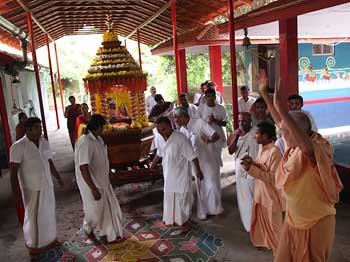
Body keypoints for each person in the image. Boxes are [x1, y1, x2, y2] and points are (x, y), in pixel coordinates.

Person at [258, 69, 343, 261]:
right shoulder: (293, 147)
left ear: (299, 132)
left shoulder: (319, 147)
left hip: (317, 222)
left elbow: (306, 148)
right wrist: (264, 93)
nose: (282, 134)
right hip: (293, 219)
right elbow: (281, 122)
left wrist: (281, 106)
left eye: (286, 131)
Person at [9, 117, 64, 258]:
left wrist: (58, 178)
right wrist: (15, 194)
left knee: (48, 214)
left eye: (40, 127)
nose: (41, 130)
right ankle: (34, 246)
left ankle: (51, 240)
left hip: (47, 184)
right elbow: (13, 173)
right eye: (37, 127)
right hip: (32, 188)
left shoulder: (44, 142)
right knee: (34, 218)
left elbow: (49, 161)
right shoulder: (18, 147)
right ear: (28, 130)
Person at [75, 114, 123, 243]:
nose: (104, 130)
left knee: (106, 208)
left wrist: (109, 173)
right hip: (91, 183)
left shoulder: (98, 139)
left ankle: (107, 234)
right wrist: (93, 188)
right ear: (97, 127)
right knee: (94, 211)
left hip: (102, 180)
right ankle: (88, 228)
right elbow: (83, 167)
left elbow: (103, 158)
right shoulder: (85, 142)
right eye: (103, 127)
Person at [150, 116, 203, 227]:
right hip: (169, 175)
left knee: (183, 200)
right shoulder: (161, 137)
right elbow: (160, 152)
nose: (162, 133)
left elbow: (193, 157)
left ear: (170, 126)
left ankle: (184, 220)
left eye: (164, 129)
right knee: (170, 197)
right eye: (159, 130)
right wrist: (153, 164)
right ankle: (172, 220)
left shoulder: (180, 138)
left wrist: (198, 171)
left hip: (181, 175)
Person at [241, 121, 283, 254]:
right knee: (260, 224)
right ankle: (264, 242)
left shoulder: (275, 152)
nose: (255, 136)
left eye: (257, 133)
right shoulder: (262, 148)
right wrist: (252, 163)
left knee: (276, 230)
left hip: (271, 197)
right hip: (261, 194)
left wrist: (251, 169)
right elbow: (264, 166)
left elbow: (272, 177)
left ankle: (281, 255)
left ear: (265, 136)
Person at [174, 108, 222, 220]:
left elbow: (215, 135)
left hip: (208, 159)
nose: (175, 120)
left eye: (176, 117)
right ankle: (204, 211)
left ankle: (216, 209)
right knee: (201, 187)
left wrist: (209, 140)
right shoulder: (182, 130)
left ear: (184, 116)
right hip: (196, 163)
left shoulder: (199, 122)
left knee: (212, 184)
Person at [228, 112, 259, 232]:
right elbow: (231, 151)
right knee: (244, 200)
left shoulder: (256, 132)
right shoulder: (236, 133)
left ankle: (257, 224)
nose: (242, 124)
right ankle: (249, 226)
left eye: (244, 121)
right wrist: (236, 136)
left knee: (255, 198)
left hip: (254, 169)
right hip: (240, 170)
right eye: (240, 121)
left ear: (250, 121)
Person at [196, 88, 227, 169]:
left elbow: (225, 123)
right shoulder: (201, 108)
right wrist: (206, 123)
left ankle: (216, 175)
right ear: (205, 97)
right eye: (208, 96)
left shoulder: (221, 108)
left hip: (217, 137)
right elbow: (197, 124)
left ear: (215, 97)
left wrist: (215, 120)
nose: (210, 98)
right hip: (205, 138)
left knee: (217, 159)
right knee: (207, 160)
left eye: (212, 96)